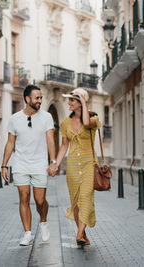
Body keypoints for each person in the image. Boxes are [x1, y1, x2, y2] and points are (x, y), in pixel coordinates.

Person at [1, 85, 58, 246]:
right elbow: (10, 143)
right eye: (37, 98)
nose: (40, 100)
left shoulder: (46, 117)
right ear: (27, 99)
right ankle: (27, 233)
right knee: (24, 197)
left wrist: (53, 162)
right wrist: (4, 165)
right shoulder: (14, 119)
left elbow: (50, 140)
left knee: (40, 200)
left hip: (40, 164)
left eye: (41, 98)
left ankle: (44, 221)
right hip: (20, 164)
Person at [52, 88, 101, 247]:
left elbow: (86, 123)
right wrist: (55, 164)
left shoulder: (94, 119)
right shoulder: (65, 123)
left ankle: (79, 233)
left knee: (86, 197)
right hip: (72, 165)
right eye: (69, 100)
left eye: (72, 100)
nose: (69, 102)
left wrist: (84, 102)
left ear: (81, 102)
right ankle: (83, 235)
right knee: (76, 202)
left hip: (89, 164)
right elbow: (64, 146)